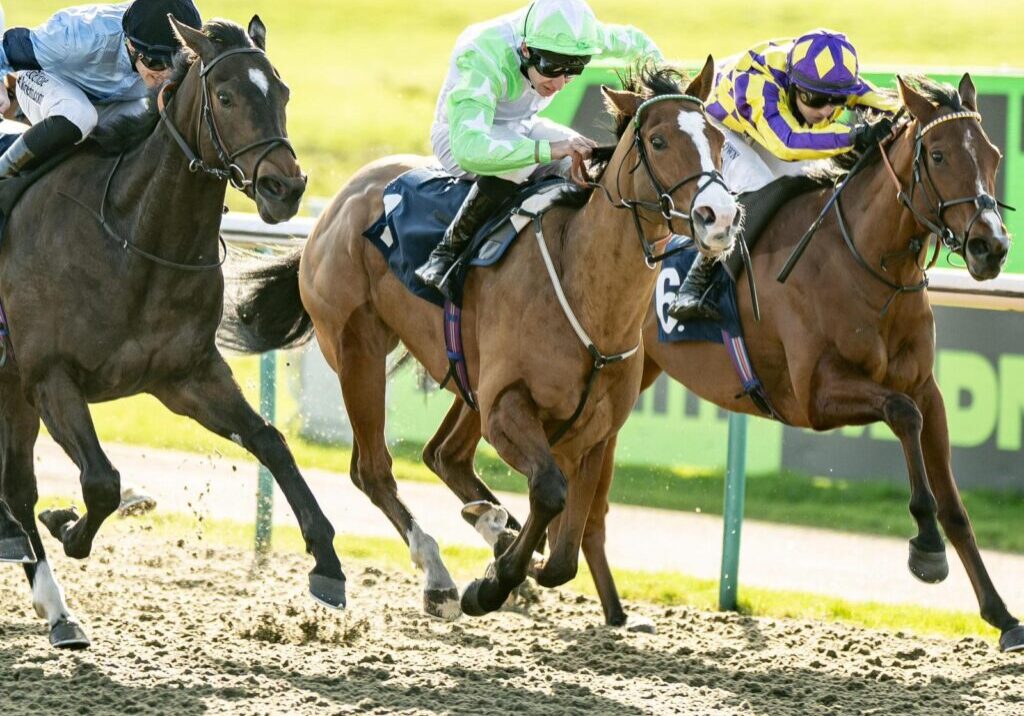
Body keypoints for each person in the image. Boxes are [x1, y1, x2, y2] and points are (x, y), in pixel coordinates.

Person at [415, 0, 662, 296]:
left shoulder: (580, 36)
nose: (560, 84)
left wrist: (665, 95)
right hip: (459, 136)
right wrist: (547, 150)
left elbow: (640, 44)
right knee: (522, 163)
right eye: (551, 68)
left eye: (573, 70)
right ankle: (446, 253)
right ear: (525, 50)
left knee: (586, 160)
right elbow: (470, 148)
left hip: (522, 125)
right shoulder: (483, 53)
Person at [668, 29, 899, 321]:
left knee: (806, 183)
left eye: (838, 100)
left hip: (760, 127)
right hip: (718, 125)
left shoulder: (829, 77)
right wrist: (854, 134)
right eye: (816, 99)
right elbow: (787, 144)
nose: (826, 111)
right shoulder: (759, 86)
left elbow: (887, 102)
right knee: (761, 187)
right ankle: (695, 284)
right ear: (793, 85)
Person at [0, 0, 202, 179]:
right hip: (45, 80)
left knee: (152, 128)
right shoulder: (79, 37)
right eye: (157, 63)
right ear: (132, 46)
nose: (167, 75)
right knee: (79, 115)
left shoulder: (180, 53)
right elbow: (4, 49)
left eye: (177, 63)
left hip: (109, 101)